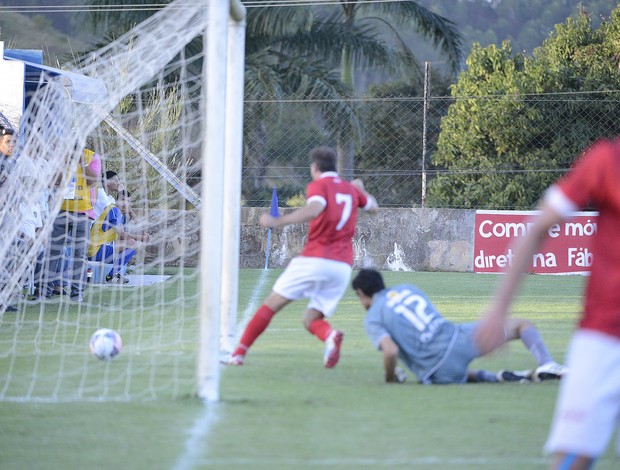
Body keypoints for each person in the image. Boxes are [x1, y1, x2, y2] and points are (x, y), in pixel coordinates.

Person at [477, 138, 620, 469]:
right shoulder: (606, 160)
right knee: (574, 458)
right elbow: (539, 227)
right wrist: (499, 309)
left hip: (601, 338)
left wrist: (498, 310)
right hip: (604, 338)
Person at [224, 146, 379, 368]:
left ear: (314, 168)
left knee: (270, 306)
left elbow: (315, 208)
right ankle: (330, 336)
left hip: (315, 259)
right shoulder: (349, 190)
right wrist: (361, 189)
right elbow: (373, 207)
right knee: (311, 319)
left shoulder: (319, 185)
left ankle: (237, 355)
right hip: (342, 267)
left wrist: (278, 221)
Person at [351, 268, 567, 384]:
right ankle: (547, 364)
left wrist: (390, 378)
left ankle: (497, 377)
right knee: (521, 325)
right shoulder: (408, 288)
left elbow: (391, 351)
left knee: (453, 373)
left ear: (361, 294)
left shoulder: (373, 318)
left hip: (439, 369)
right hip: (458, 338)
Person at [45, 148, 100, 301]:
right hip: (60, 210)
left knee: (79, 255)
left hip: (83, 213)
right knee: (52, 252)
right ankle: (44, 292)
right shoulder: (61, 155)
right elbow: (53, 182)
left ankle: (77, 293)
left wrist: (82, 163)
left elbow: (92, 181)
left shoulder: (92, 156)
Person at [88, 190, 149, 283]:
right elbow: (123, 235)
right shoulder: (113, 210)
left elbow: (122, 238)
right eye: (123, 200)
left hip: (100, 248)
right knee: (133, 243)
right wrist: (140, 238)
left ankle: (113, 274)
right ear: (116, 201)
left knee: (132, 245)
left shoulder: (119, 214)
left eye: (128, 202)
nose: (125, 204)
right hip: (95, 249)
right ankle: (112, 275)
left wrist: (134, 217)